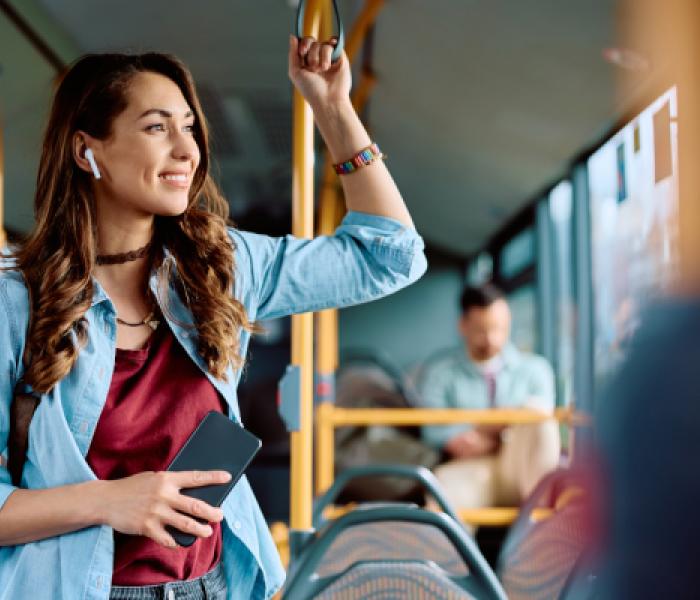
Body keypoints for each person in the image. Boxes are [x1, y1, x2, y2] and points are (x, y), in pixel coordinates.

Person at [0, 36, 426, 600]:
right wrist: (111, 500)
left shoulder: (220, 266)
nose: (187, 149)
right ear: (87, 152)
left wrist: (332, 107)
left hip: (219, 583)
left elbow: (390, 256)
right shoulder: (17, 301)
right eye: (157, 128)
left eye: (189, 127)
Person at [419, 284, 559, 513]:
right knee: (443, 497)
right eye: (482, 330)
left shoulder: (536, 369)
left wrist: (477, 429)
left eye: (500, 329)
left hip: (521, 467)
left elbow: (540, 421)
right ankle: (454, 550)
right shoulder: (440, 374)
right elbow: (434, 432)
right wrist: (502, 423)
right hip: (469, 467)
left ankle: (540, 535)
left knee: (540, 419)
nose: (492, 339)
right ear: (463, 326)